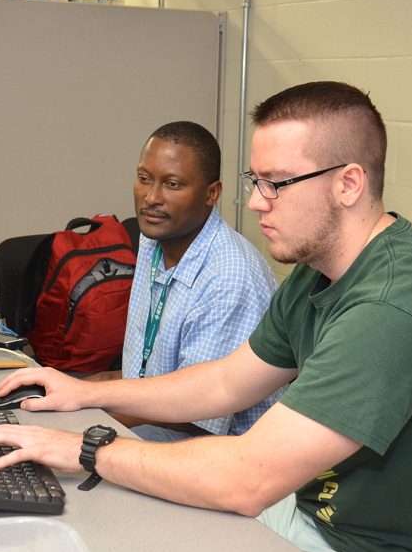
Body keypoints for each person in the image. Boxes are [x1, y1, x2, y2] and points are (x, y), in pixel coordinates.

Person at [0, 82, 412, 552]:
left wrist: (86, 449)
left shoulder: (392, 308)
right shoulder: (319, 273)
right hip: (304, 518)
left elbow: (247, 478)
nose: (255, 202)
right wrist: (84, 391)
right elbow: (226, 383)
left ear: (348, 184)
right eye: (256, 180)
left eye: (277, 183)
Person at [98, 121, 279, 441]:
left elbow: (198, 416)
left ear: (212, 194)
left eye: (172, 184)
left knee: (70, 457)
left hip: (214, 448)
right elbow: (141, 377)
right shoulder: (154, 237)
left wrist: (87, 408)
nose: (151, 198)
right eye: (144, 179)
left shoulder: (229, 278)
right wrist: (61, 388)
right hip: (153, 418)